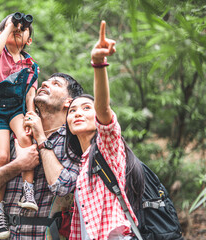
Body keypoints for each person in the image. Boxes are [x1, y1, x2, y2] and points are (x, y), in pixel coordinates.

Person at [0, 73, 84, 239]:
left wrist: (40, 137)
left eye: (56, 84)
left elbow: (62, 187)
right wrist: (18, 165)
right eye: (46, 81)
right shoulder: (13, 134)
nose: (45, 83)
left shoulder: (74, 142)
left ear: (69, 102)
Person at [66, 21, 144, 240]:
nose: (77, 113)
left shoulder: (107, 148)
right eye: (72, 111)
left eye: (85, 108)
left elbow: (103, 109)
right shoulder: (81, 163)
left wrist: (98, 63)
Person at [0, 12, 39, 239]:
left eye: (23, 30)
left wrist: (31, 116)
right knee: (1, 156)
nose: (17, 31)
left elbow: (31, 94)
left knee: (25, 139)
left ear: (29, 40)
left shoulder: (31, 64)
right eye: (12, 29)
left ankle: (28, 192)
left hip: (16, 109)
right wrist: (10, 24)